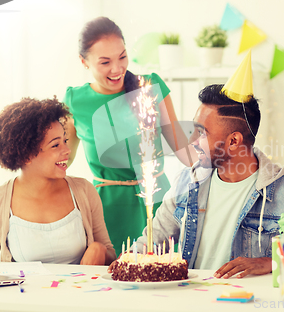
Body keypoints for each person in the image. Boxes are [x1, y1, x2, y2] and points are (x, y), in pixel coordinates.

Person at [113, 53, 284, 278]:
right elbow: (152, 240)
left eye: (201, 133)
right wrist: (127, 261)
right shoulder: (186, 182)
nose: (192, 142)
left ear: (233, 141)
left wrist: (271, 262)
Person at [64, 17, 196, 256]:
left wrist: (221, 171)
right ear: (83, 62)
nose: (117, 69)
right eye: (105, 62)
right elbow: (62, 160)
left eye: (122, 57)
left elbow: (181, 146)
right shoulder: (75, 101)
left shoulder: (150, 86)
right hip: (106, 209)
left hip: (157, 203)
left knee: (161, 275)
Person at [0, 97, 116, 265]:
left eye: (65, 141)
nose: (67, 150)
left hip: (79, 291)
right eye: (55, 145)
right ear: (26, 155)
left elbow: (110, 257)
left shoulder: (84, 191)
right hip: (25, 292)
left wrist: (98, 251)